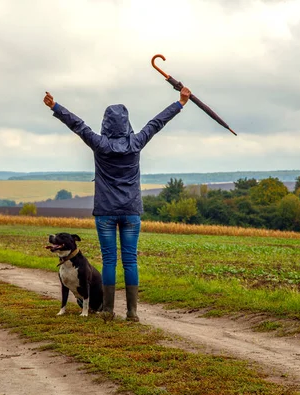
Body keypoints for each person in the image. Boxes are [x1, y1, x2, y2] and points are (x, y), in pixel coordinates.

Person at [43, 86, 191, 321]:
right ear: (127, 123)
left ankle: (109, 312)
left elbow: (78, 125)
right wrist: (180, 103)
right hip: (131, 211)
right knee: (130, 260)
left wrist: (55, 107)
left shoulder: (99, 144)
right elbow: (156, 123)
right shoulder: (136, 142)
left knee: (109, 260)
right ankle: (132, 313)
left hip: (105, 212)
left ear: (105, 124)